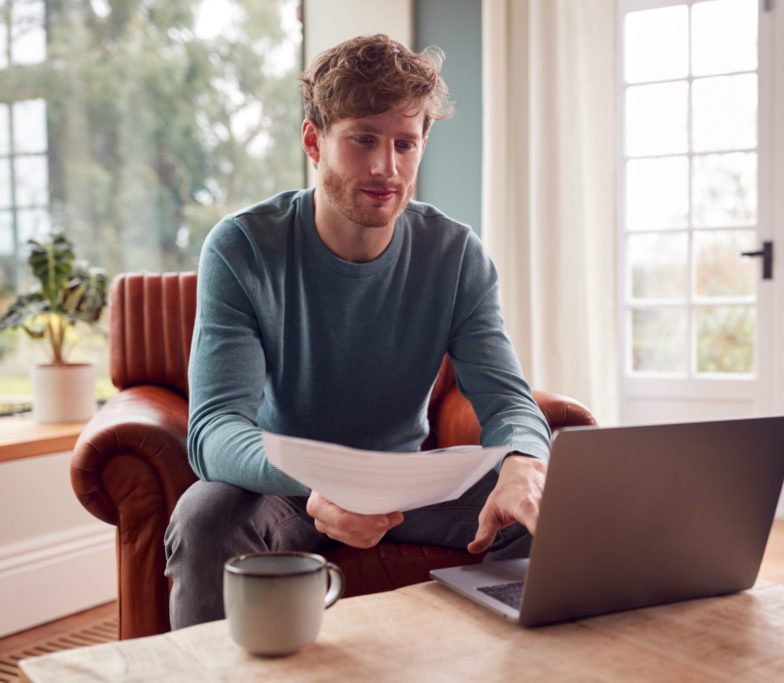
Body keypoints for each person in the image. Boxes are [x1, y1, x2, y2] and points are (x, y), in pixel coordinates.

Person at [164, 34, 551, 629]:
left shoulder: (456, 254)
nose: (385, 167)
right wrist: (322, 479)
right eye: (363, 139)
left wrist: (525, 459)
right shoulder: (243, 247)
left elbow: (508, 400)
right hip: (285, 488)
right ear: (314, 142)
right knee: (204, 514)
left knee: (537, 506)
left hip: (410, 489)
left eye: (404, 143)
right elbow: (214, 430)